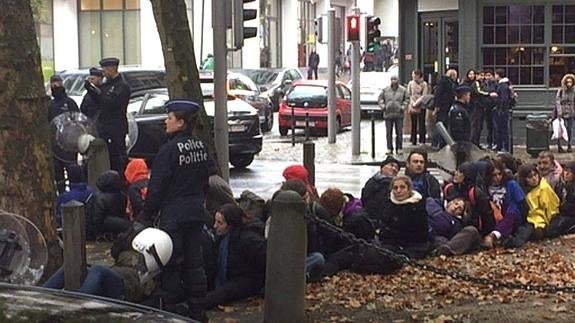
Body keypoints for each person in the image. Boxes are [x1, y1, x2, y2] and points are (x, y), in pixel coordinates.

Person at [141, 99, 216, 321]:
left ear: (181, 122)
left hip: (173, 213)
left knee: (170, 263)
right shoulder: (200, 146)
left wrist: (146, 214)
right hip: (195, 210)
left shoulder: (168, 150)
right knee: (195, 262)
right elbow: (207, 179)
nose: (166, 121)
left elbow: (157, 188)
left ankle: (174, 313)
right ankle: (198, 311)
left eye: (170, 117)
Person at [45, 227, 173, 303]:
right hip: (117, 277)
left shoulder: (149, 278)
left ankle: (77, 307)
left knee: (97, 270)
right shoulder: (133, 253)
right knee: (71, 268)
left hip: (125, 286)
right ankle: (40, 297)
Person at [197, 204, 266, 309]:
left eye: (220, 223)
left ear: (231, 225)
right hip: (232, 277)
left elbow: (265, 259)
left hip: (247, 279)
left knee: (222, 293)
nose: (215, 226)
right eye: (215, 221)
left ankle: (196, 306)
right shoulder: (222, 238)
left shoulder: (248, 240)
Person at [84, 57, 131, 176]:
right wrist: (90, 90)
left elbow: (110, 103)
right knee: (106, 160)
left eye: (105, 70)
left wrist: (96, 92)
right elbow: (99, 103)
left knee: (117, 160)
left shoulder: (122, 86)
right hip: (104, 128)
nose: (103, 73)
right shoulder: (106, 85)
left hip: (116, 129)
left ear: (112, 69)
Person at [377, 175, 431, 259]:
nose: (398, 191)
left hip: (414, 244)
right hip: (391, 243)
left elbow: (422, 233)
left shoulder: (418, 206)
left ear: (409, 189)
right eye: (395, 188)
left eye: (402, 187)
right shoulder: (388, 204)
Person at [509, 164, 560, 246]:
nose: (534, 179)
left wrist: (550, 224)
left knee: (528, 229)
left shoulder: (543, 188)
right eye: (530, 177)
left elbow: (552, 207)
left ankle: (516, 241)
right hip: (526, 217)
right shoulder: (522, 189)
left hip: (538, 220)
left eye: (535, 175)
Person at [48, 74, 80, 194]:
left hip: (68, 144)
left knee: (72, 170)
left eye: (57, 83)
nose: (55, 86)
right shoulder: (50, 104)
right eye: (53, 84)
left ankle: (74, 191)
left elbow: (78, 120)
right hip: (55, 145)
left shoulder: (70, 102)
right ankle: (61, 193)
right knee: (58, 172)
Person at [90, 170, 131, 239]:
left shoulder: (99, 197)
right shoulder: (122, 195)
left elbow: (97, 217)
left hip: (105, 226)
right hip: (109, 225)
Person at [361, 156, 401, 222]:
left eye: (397, 168)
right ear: (382, 167)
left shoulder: (396, 186)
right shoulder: (372, 181)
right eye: (391, 165)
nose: (394, 169)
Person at [378, 75, 409, 155]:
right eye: (392, 79)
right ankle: (389, 148)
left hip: (399, 114)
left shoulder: (403, 90)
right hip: (388, 114)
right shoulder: (385, 90)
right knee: (388, 132)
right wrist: (383, 107)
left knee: (399, 132)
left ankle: (399, 148)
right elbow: (380, 99)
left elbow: (407, 99)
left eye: (395, 79)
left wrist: (402, 107)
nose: (393, 81)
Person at [548, 161, 575, 237]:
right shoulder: (560, 185)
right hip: (561, 213)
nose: (566, 174)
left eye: (570, 172)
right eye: (565, 171)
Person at [433, 69, 458, 148]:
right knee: (441, 125)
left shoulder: (452, 83)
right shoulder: (443, 82)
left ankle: (442, 143)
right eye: (455, 75)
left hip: (448, 106)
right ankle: (437, 143)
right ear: (452, 75)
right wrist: (437, 106)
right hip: (443, 107)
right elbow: (438, 94)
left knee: (445, 125)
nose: (456, 77)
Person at [406, 69, 429, 145]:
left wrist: (417, 103)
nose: (413, 76)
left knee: (421, 122)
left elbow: (424, 95)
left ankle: (422, 140)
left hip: (421, 105)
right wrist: (412, 103)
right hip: (412, 104)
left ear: (418, 76)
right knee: (413, 123)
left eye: (415, 75)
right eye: (413, 75)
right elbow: (408, 94)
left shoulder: (424, 84)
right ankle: (413, 140)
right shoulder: (410, 83)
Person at [493, 68, 513, 152]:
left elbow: (504, 99)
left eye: (495, 74)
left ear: (498, 75)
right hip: (502, 109)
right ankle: (501, 146)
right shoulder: (504, 85)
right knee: (501, 129)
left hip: (502, 110)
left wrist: (500, 108)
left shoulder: (503, 86)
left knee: (503, 129)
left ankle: (505, 147)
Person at [554, 73, 575, 153]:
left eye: (571, 82)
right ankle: (559, 146)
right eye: (568, 82)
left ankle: (569, 145)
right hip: (562, 112)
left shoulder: (574, 91)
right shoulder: (561, 91)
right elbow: (557, 101)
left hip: (571, 111)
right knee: (560, 129)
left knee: (570, 129)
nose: (569, 84)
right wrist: (559, 111)